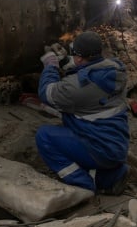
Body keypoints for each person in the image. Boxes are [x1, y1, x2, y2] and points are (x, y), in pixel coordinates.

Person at [35, 31, 130, 195]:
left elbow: (47, 93)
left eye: (74, 55)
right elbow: (88, 72)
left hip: (99, 148)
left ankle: (83, 185)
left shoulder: (79, 87)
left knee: (44, 136)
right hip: (116, 145)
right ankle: (111, 177)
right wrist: (65, 61)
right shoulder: (115, 69)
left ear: (79, 58)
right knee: (74, 123)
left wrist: (51, 66)